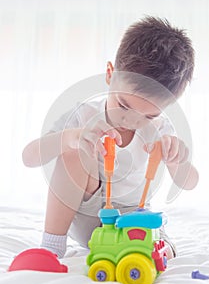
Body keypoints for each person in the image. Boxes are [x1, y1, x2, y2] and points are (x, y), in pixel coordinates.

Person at [22, 16, 199, 260]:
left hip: (133, 219)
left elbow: (189, 182)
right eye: (124, 106)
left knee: (162, 248)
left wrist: (176, 158)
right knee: (74, 152)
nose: (132, 121)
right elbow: (29, 157)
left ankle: (157, 251)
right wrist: (73, 137)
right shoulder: (84, 115)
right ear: (109, 74)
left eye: (148, 115)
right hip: (88, 217)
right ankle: (51, 247)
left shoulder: (162, 130)